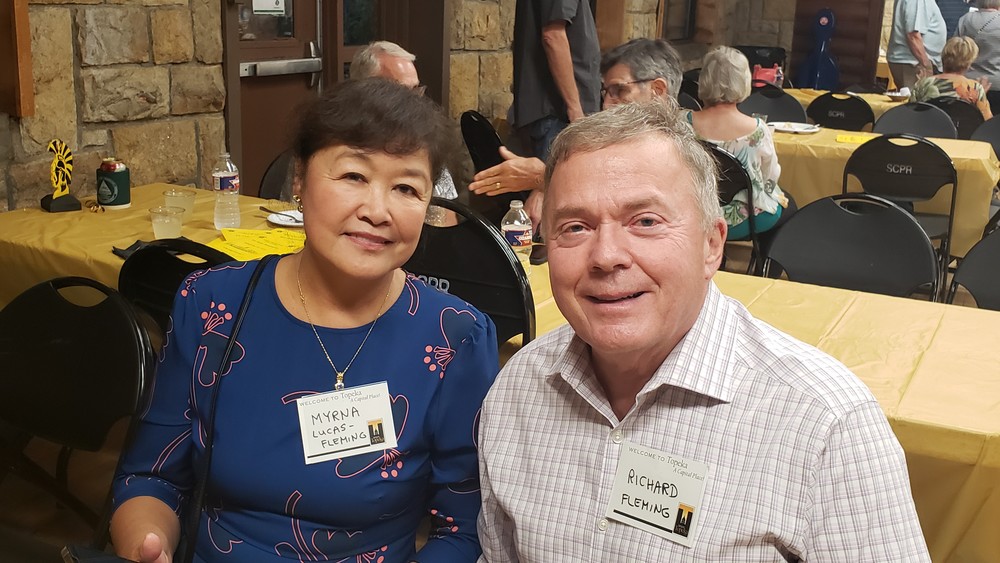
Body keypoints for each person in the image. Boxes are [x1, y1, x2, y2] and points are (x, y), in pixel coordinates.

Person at [477, 101, 931, 562]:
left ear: (711, 245)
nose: (606, 256)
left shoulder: (825, 424)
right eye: (575, 227)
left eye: (646, 221)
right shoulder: (518, 388)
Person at [110, 79, 499, 563]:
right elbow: (151, 476)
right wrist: (147, 543)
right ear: (299, 179)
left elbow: (463, 529)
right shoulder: (214, 305)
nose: (377, 211)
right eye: (353, 176)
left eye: (406, 188)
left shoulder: (454, 337)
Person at [471, 38, 683, 227]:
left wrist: (543, 178)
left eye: (619, 90)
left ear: (657, 90)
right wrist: (543, 186)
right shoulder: (618, 141)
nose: (607, 104)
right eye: (606, 92)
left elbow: (619, 200)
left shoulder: (676, 151)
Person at [687, 46, 794, 242]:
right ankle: (761, 258)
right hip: (743, 221)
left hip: (692, 216)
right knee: (787, 203)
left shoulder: (681, 123)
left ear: (704, 80)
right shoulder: (758, 129)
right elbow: (769, 175)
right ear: (744, 81)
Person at [351, 41, 459, 202]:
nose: (414, 101)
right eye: (401, 91)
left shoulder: (427, 143)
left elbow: (445, 212)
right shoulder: (341, 144)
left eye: (416, 90)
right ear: (365, 90)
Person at [911, 35, 994, 120]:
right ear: (968, 63)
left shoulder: (923, 84)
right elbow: (987, 121)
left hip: (930, 127)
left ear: (943, 56)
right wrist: (979, 95)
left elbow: (912, 114)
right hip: (964, 128)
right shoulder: (975, 88)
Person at [887, 0, 947, 89]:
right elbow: (913, 35)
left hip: (913, 62)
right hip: (913, 64)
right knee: (915, 97)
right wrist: (926, 65)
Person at [956, 0, 1000, 114]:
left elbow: (956, 50)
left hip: (970, 84)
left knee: (973, 120)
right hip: (997, 84)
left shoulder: (966, 19)